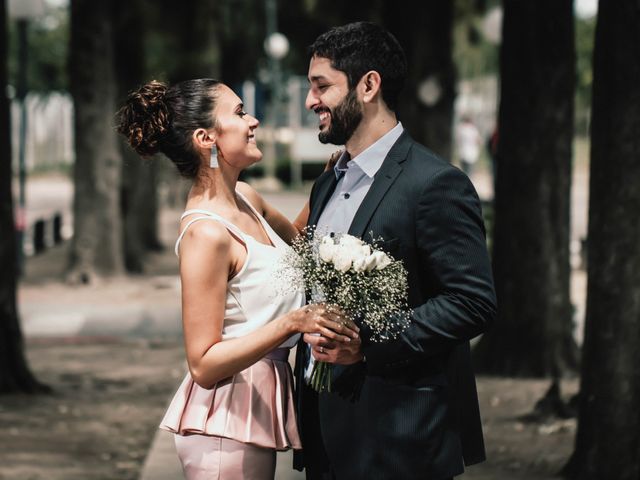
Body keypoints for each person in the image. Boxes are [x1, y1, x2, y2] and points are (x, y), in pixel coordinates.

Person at [117, 79, 359, 480]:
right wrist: (293, 323)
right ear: (205, 138)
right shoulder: (205, 235)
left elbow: (302, 247)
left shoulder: (247, 196)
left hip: (250, 411)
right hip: (224, 425)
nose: (254, 121)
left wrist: (329, 183)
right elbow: (203, 363)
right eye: (240, 112)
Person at [294, 22, 497, 479]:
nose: (311, 101)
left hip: (400, 438)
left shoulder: (435, 183)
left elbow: (473, 301)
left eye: (321, 86)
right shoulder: (327, 183)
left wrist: (366, 343)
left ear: (369, 85)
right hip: (326, 434)